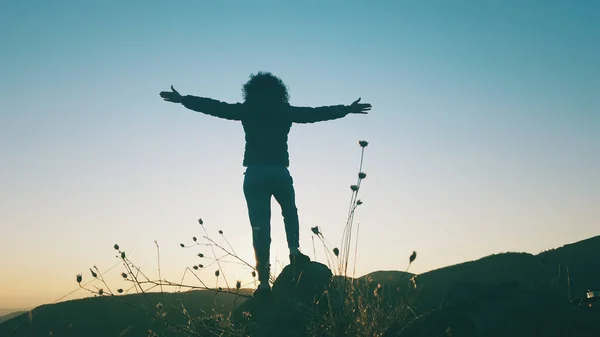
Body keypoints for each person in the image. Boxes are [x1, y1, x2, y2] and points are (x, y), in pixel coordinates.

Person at [160, 72, 371, 297]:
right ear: (279, 91)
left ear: (251, 91)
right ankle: (294, 252)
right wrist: (346, 109)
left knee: (260, 227)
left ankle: (263, 284)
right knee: (290, 212)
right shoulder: (284, 111)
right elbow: (315, 114)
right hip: (279, 171)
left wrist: (184, 100)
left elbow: (216, 107)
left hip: (254, 174)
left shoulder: (247, 110)